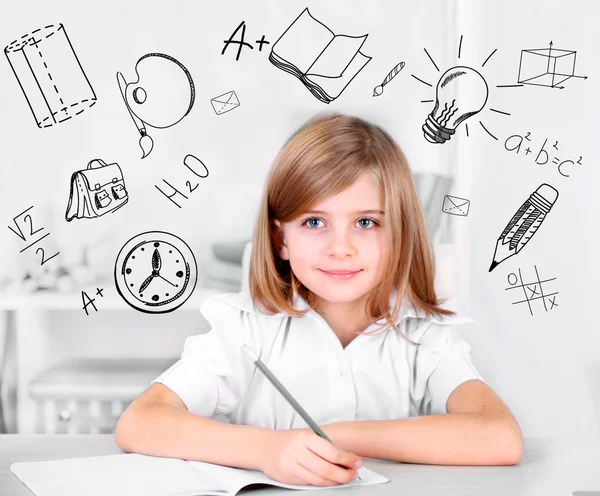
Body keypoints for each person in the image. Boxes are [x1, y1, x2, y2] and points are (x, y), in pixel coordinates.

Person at [115, 113, 524, 486]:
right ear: (281, 239)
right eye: (314, 222)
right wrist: (266, 450)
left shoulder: (422, 336)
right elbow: (140, 423)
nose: (340, 248)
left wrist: (325, 435)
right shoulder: (245, 330)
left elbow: (500, 438)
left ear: (399, 233)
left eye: (366, 222)